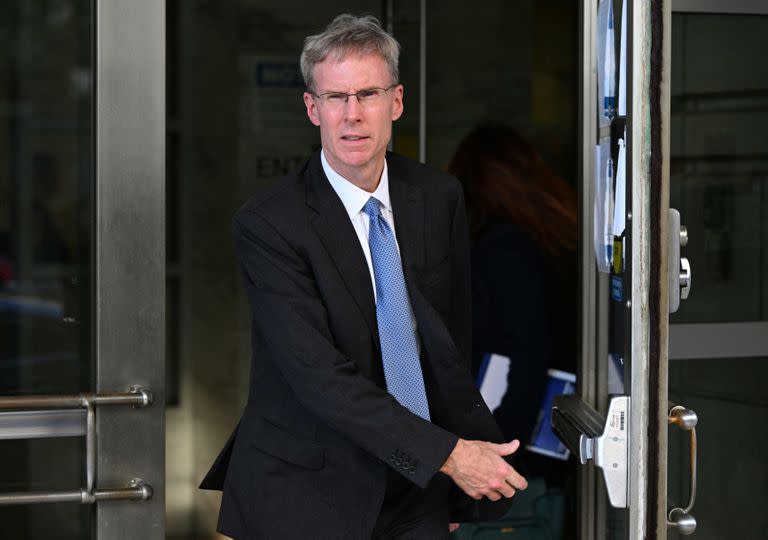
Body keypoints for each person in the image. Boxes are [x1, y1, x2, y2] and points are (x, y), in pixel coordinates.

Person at [200, 15, 527, 539]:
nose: (352, 115)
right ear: (313, 109)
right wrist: (448, 457)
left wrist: (446, 478)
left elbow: (450, 343)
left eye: (367, 94)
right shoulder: (269, 224)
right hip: (307, 489)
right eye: (335, 98)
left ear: (396, 102)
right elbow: (318, 377)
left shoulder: (438, 197)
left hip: (417, 484)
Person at [448, 125, 578, 487]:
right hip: (540, 448)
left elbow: (530, 351)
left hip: (517, 461)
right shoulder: (547, 240)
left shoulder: (505, 249)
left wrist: (499, 449)